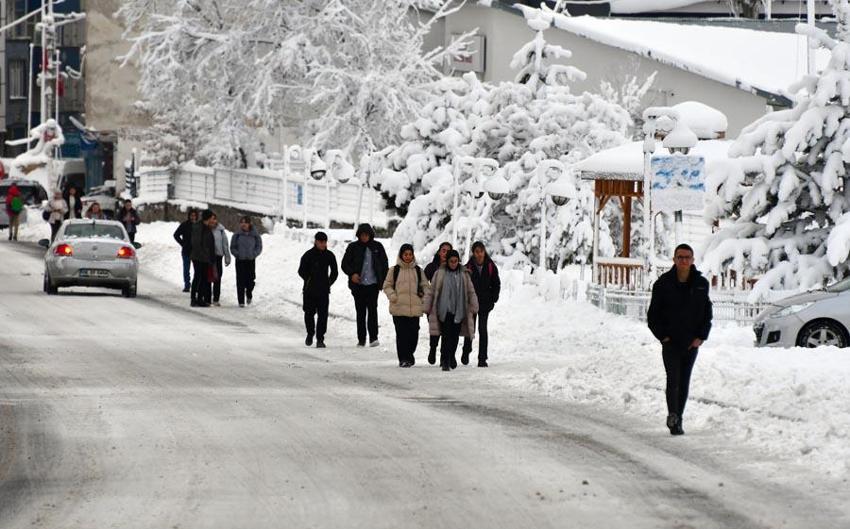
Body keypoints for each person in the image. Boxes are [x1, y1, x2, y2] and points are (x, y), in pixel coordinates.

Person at [647, 243, 713, 436]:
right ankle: (673, 415)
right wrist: (663, 337)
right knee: (673, 379)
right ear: (674, 259)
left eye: (687, 257)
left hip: (691, 343)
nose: (684, 261)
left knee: (684, 381)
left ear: (692, 260)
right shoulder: (663, 284)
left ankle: (679, 418)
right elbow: (653, 316)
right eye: (680, 257)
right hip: (671, 343)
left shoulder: (701, 284)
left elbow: (707, 313)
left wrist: (701, 337)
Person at [423, 250, 478, 371]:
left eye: (455, 261)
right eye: (451, 261)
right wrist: (427, 305)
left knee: (454, 336)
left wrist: (474, 305)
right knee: (446, 336)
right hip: (444, 310)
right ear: (447, 262)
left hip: (459, 310)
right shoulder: (440, 273)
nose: (453, 263)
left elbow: (471, 291)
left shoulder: (464, 274)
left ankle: (452, 355)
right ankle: (445, 360)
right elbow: (432, 291)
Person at [341, 223, 388, 347]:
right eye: (362, 235)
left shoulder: (378, 247)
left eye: (366, 235)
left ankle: (373, 338)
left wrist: (383, 281)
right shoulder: (353, 247)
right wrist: (352, 274)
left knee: (373, 311)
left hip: (373, 285)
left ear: (370, 235)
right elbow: (344, 264)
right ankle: (361, 339)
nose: (364, 237)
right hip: (358, 286)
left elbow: (384, 265)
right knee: (360, 312)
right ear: (359, 235)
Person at [383, 244, 429, 368]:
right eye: (405, 254)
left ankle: (409, 355)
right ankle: (403, 358)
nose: (408, 257)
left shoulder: (418, 271)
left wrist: (423, 298)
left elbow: (425, 286)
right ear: (401, 255)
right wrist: (393, 296)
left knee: (413, 335)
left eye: (410, 254)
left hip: (414, 309)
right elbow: (387, 286)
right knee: (402, 335)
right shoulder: (394, 270)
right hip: (398, 308)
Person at [462, 241, 501, 368]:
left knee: (482, 330)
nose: (479, 254)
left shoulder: (490, 266)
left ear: (484, 252)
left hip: (485, 303)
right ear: (473, 253)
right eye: (477, 252)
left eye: (481, 251)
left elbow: (496, 283)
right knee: (470, 329)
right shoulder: (468, 267)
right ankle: (466, 350)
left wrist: (493, 298)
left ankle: (482, 358)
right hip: (471, 304)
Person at [298, 231, 338, 348]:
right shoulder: (308, 255)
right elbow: (301, 270)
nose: (323, 244)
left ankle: (320, 338)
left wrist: (329, 282)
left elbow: (335, 272)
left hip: (323, 291)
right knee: (309, 313)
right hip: (309, 290)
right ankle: (310, 333)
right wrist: (308, 279)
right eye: (320, 242)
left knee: (323, 315)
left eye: (324, 242)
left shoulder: (329, 255)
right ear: (316, 241)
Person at [424, 241, 453, 364]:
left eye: (448, 251)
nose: (445, 253)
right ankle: (433, 348)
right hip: (434, 304)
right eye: (443, 251)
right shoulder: (431, 267)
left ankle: (444, 357)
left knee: (447, 330)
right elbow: (423, 283)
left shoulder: (454, 266)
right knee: (435, 329)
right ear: (439, 252)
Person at [230, 215, 263, 307]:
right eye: (242, 222)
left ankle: (249, 294)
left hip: (250, 260)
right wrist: (237, 254)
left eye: (245, 222)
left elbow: (259, 246)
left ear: (249, 224)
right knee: (240, 280)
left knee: (250, 280)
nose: (243, 224)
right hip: (240, 260)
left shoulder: (255, 234)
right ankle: (241, 301)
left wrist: (254, 254)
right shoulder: (237, 235)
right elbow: (232, 247)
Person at [189, 209, 216, 307]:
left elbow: (210, 244)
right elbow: (196, 243)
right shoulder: (198, 227)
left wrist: (211, 257)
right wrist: (204, 255)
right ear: (208, 218)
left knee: (204, 278)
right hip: (198, 257)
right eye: (212, 218)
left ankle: (200, 298)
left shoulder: (207, 228)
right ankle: (193, 299)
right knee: (197, 277)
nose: (213, 220)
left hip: (205, 258)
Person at [173, 209, 198, 292]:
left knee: (197, 270)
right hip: (186, 251)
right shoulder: (184, 225)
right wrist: (182, 243)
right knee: (186, 269)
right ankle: (187, 285)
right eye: (191, 215)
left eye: (194, 216)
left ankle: (196, 285)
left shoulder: (199, 225)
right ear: (189, 216)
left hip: (196, 251)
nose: (193, 217)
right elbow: (176, 235)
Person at [210, 216, 232, 306]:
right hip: (208, 257)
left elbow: (225, 244)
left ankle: (216, 298)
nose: (213, 221)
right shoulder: (206, 229)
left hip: (218, 257)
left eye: (215, 219)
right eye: (212, 219)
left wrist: (227, 257)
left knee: (217, 277)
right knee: (208, 277)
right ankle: (206, 296)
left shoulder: (221, 230)